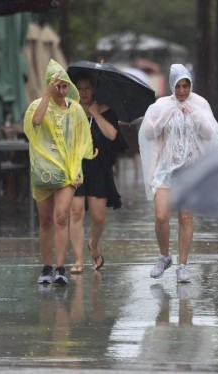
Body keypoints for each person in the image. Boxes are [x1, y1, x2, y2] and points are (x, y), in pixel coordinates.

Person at [139, 64, 218, 282]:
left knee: (186, 217)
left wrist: (195, 116)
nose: (181, 91)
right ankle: (164, 256)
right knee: (161, 215)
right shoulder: (162, 105)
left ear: (190, 85)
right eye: (177, 86)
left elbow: (210, 133)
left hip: (190, 170)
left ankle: (183, 266)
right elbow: (149, 132)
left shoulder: (200, 104)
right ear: (172, 85)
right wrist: (163, 118)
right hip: (165, 168)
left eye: (185, 86)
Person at [23, 59, 94, 286]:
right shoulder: (37, 105)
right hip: (44, 172)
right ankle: (46, 266)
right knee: (45, 221)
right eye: (57, 86)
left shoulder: (75, 111)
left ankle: (61, 267)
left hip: (67, 172)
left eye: (64, 86)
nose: (61, 91)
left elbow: (81, 141)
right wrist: (46, 95)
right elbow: (35, 122)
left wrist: (78, 170)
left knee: (61, 217)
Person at [68, 72, 128, 274]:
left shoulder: (104, 110)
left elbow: (112, 135)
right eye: (80, 88)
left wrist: (95, 113)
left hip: (99, 169)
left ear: (93, 89)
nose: (83, 92)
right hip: (75, 167)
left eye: (87, 88)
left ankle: (94, 245)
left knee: (98, 216)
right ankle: (78, 260)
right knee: (75, 212)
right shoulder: (69, 111)